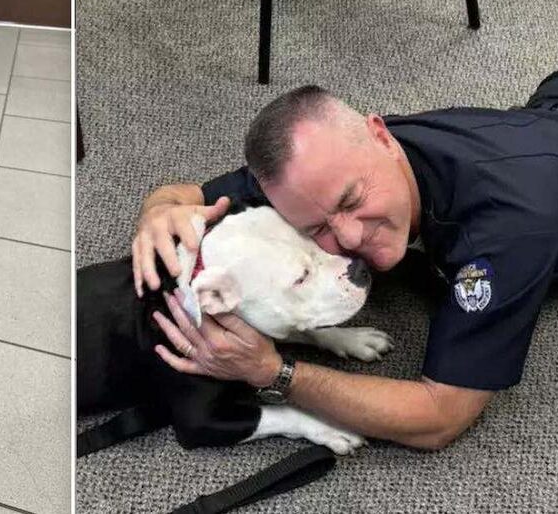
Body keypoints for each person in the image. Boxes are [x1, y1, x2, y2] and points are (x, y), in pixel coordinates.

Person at [135, 74, 558, 450]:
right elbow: (183, 194)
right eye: (317, 228)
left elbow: (439, 418)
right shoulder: (324, 170)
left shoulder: (508, 231)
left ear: (381, 135)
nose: (350, 238)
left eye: (352, 201)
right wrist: (158, 211)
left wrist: (273, 371)